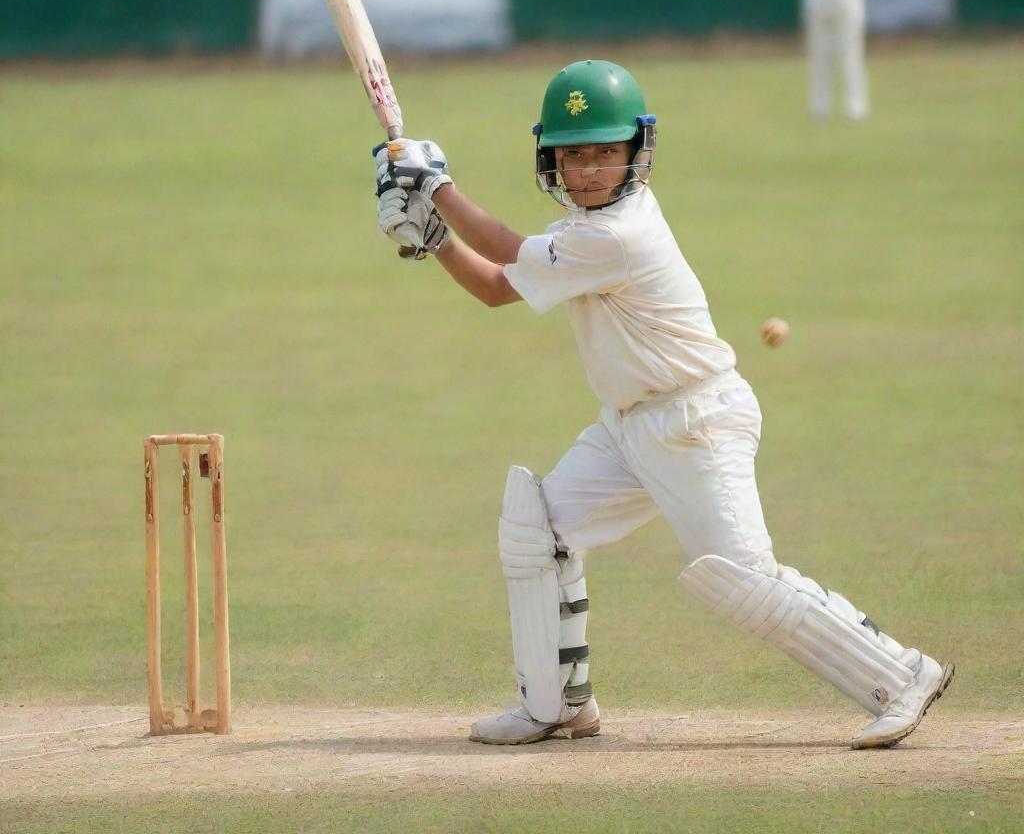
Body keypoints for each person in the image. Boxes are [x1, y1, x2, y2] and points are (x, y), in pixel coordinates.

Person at [372, 59, 953, 748]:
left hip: (694, 423)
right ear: (551, 158)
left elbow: (503, 246)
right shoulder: (579, 231)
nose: (587, 169)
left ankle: (902, 674)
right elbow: (500, 286)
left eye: (604, 153)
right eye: (574, 154)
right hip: (627, 429)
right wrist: (435, 238)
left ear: (635, 153)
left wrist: (436, 187)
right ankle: (557, 704)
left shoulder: (616, 234)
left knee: (743, 580)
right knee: (539, 533)